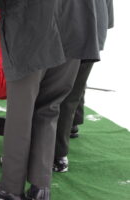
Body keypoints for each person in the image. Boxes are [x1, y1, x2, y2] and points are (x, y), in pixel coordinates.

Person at [0, 0, 105, 199]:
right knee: (49, 108)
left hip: (31, 29)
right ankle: (41, 187)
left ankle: (11, 187)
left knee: (21, 113)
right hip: (75, 27)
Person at [54, 0, 114, 173]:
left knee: (62, 92)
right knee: (76, 84)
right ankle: (72, 124)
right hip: (94, 21)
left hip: (70, 26)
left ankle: (57, 153)